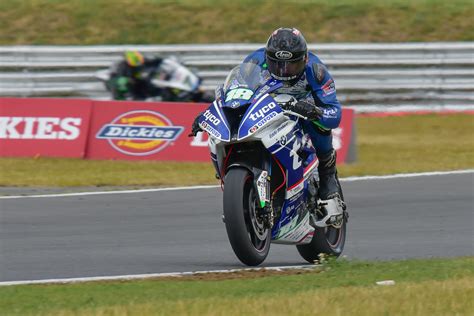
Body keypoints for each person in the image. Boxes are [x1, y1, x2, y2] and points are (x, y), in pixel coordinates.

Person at [191, 27, 343, 203]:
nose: (283, 71)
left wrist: (315, 112)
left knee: (319, 126)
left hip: (301, 111)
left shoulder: (316, 71)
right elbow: (235, 94)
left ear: (304, 59)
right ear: (267, 57)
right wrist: (211, 114)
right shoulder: (254, 62)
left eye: (291, 65)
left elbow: (334, 113)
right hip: (268, 110)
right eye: (277, 64)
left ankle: (328, 175)